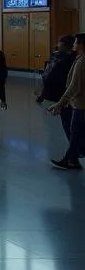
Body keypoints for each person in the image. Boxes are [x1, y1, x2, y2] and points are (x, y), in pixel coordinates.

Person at [49, 33, 85, 171]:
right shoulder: (79, 58)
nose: (74, 44)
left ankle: (70, 159)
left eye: (76, 42)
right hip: (79, 103)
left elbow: (74, 86)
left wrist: (60, 103)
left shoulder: (81, 61)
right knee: (76, 134)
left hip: (80, 105)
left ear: (81, 44)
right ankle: (71, 160)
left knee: (75, 133)